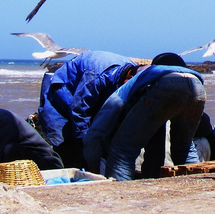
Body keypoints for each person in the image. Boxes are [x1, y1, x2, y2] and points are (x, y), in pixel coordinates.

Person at [83, 52, 206, 180]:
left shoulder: (141, 77)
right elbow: (155, 142)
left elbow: (101, 123)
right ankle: (197, 187)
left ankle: (120, 194)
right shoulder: (184, 72)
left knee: (122, 151)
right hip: (198, 86)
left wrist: (92, 163)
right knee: (184, 147)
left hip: (165, 84)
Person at [38, 51, 138, 169]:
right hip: (61, 92)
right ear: (129, 78)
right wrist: (85, 142)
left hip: (85, 93)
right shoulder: (96, 76)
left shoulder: (133, 72)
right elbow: (79, 110)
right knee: (65, 142)